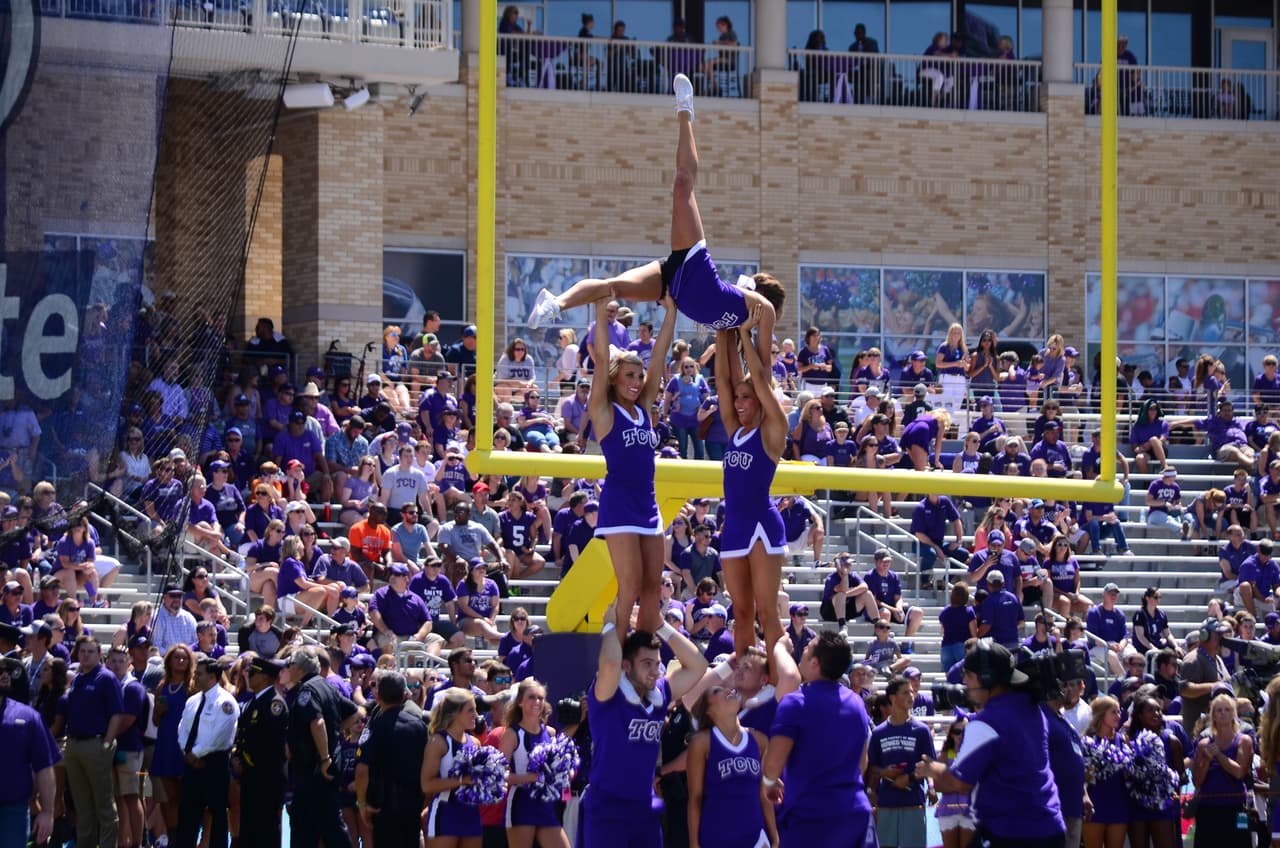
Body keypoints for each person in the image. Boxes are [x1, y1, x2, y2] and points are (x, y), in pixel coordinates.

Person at [526, 75, 787, 372]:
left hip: (673, 287)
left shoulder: (738, 327)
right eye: (779, 314)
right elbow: (764, 367)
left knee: (612, 289)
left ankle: (555, 304)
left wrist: (741, 333)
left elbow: (748, 360)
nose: (777, 324)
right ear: (772, 304)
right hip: (695, 266)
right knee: (682, 183)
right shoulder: (759, 307)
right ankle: (685, 111)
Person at [587, 294, 678, 637]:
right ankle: (621, 653)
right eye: (629, 375)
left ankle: (644, 648)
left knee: (653, 584)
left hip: (647, 503)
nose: (637, 381)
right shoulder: (606, 411)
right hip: (620, 503)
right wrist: (599, 310)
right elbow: (599, 362)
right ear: (614, 379)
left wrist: (671, 312)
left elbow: (659, 355)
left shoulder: (643, 409)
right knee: (631, 583)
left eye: (639, 376)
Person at [915, 640, 1065, 848]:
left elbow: (960, 782)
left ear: (984, 677)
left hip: (1012, 833)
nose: (964, 682)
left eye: (968, 675)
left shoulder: (986, 723)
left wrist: (933, 768)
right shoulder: (1033, 708)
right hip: (1051, 827)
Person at [583, 620, 708, 847]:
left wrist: (660, 624)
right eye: (647, 664)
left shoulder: (659, 695)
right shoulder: (608, 694)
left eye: (657, 664)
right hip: (607, 810)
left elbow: (698, 664)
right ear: (627, 666)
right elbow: (610, 664)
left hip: (644, 808)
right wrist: (612, 625)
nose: (654, 672)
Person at [713, 312, 789, 655]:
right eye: (738, 399)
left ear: (760, 398)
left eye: (747, 398)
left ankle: (777, 683)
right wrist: (722, 329)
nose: (739, 403)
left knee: (766, 612)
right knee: (741, 614)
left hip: (761, 523)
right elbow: (723, 383)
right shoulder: (735, 430)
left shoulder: (772, 431)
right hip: (735, 525)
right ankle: (745, 679)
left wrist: (745, 333)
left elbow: (759, 378)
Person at [761, 629, 873, 847]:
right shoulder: (857, 703)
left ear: (815, 663)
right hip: (854, 813)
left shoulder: (794, 703)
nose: (803, 650)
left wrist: (768, 783)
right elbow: (862, 764)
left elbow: (773, 764)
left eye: (808, 648)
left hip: (811, 818)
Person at [686, 674, 777, 848]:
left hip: (756, 839)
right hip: (716, 838)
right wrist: (694, 843)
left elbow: (763, 795)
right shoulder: (701, 743)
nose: (729, 690)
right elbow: (695, 798)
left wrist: (774, 837)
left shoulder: (759, 740)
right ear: (708, 710)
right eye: (718, 690)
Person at [287, 645, 362, 848]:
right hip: (317, 768)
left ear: (300, 667)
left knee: (329, 823)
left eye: (290, 664)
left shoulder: (308, 690)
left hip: (315, 768)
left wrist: (324, 757)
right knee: (305, 823)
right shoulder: (326, 686)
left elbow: (317, 722)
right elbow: (355, 713)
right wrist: (335, 732)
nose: (288, 668)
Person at [353, 670, 429, 848]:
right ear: (404, 695)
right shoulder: (419, 726)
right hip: (412, 806)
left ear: (377, 694)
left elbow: (362, 770)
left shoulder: (375, 725)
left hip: (383, 808)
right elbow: (428, 766)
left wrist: (362, 803)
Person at [63, 635, 126, 848]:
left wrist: (107, 744)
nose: (86, 655)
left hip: (97, 743)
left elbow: (117, 714)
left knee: (104, 804)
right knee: (82, 804)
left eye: (91, 651)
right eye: (82, 651)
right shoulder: (78, 678)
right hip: (74, 744)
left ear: (100, 655)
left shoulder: (106, 678)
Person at [173, 653, 237, 848]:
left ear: (212, 677)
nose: (195, 677)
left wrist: (197, 753)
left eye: (199, 674)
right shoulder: (193, 700)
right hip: (191, 765)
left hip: (214, 764)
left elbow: (220, 734)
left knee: (217, 812)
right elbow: (182, 728)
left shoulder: (225, 703)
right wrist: (187, 752)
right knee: (187, 814)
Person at [497, 678, 570, 848]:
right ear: (520, 702)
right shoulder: (512, 734)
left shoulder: (551, 733)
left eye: (540, 698)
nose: (537, 702)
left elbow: (562, 770)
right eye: (531, 697)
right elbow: (499, 774)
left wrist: (564, 780)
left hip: (546, 805)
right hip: (521, 803)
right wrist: (532, 778)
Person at [868, 675, 935, 848]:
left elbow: (929, 765)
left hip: (913, 802)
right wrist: (884, 773)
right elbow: (872, 767)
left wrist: (911, 779)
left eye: (912, 692)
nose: (911, 696)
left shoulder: (921, 731)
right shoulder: (878, 733)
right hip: (886, 803)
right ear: (892, 697)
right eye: (905, 692)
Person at [0, 654, 59, 845]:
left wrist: (47, 812)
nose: (5, 674)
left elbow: (44, 767)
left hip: (13, 812)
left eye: (6, 669)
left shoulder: (27, 717)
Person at [232, 655, 289, 848]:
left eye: (253, 673)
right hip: (251, 776)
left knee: (265, 829)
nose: (248, 676)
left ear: (265, 677)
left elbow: (270, 744)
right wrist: (237, 757)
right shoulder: (255, 702)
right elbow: (243, 736)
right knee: (250, 828)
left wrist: (245, 761)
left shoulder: (274, 704)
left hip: (266, 777)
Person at [1190, 693, 1252, 847]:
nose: (1223, 713)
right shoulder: (1203, 744)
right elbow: (1197, 781)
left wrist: (1218, 755)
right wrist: (1206, 759)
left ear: (1234, 714)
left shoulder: (1244, 741)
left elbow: (1239, 773)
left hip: (1237, 807)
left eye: (1227, 709)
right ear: (1213, 716)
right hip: (1209, 809)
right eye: (1219, 710)